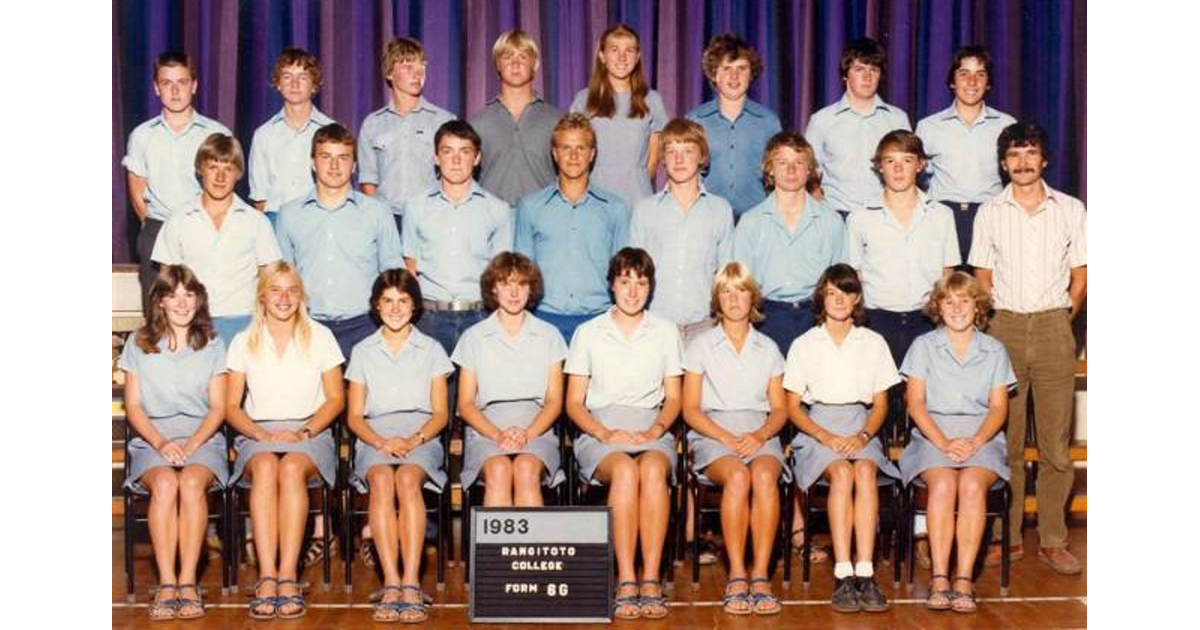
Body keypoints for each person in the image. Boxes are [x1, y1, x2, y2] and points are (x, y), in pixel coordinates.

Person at [970, 122, 1087, 575]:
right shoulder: (990, 212)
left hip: (1056, 327)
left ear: (1044, 160)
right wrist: (1002, 319)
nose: (1022, 163)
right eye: (1014, 155)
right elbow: (983, 277)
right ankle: (1008, 536)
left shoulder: (1071, 209)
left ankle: (1054, 538)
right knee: (1008, 442)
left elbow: (1080, 275)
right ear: (1003, 163)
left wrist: (1061, 317)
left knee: (1057, 445)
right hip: (1005, 330)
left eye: (1030, 154)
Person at [565, 248, 683, 620]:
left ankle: (651, 579)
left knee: (651, 471)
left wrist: (656, 429)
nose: (633, 291)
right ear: (612, 285)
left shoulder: (665, 331)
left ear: (650, 288)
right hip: (600, 430)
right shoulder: (588, 333)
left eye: (641, 283)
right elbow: (573, 404)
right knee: (626, 471)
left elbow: (675, 398)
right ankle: (626, 579)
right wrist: (604, 432)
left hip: (652, 427)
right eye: (625, 282)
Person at [225, 263, 345, 619]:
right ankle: (266, 576)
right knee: (264, 467)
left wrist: (304, 432)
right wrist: (260, 433)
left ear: (302, 296)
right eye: (275, 289)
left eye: (292, 289)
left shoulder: (321, 336)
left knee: (291, 467)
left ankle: (289, 576)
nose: (284, 298)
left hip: (310, 431)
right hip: (256, 431)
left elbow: (336, 399)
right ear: (262, 295)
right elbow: (231, 406)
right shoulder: (243, 340)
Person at [783, 263, 901, 613]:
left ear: (857, 298)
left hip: (860, 424)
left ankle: (865, 573)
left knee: (864, 471)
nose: (838, 300)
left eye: (846, 292)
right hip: (817, 426)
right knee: (843, 473)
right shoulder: (805, 343)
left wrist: (864, 433)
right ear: (822, 296)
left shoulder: (873, 342)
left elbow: (881, 403)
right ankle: (842, 573)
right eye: (832, 293)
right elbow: (792, 407)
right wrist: (826, 436)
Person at [898, 272, 1016, 613]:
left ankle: (963, 579)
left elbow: (998, 407)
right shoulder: (923, 346)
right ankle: (939, 578)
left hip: (983, 437)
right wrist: (945, 442)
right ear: (938, 307)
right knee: (945, 484)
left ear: (977, 306)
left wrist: (976, 441)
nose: (957, 307)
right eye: (949, 300)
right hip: (933, 435)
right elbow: (915, 404)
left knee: (971, 487)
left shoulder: (995, 350)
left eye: (965, 300)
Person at [120, 265, 229, 621]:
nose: (182, 303)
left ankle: (187, 584)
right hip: (154, 436)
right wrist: (162, 443)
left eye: (189, 294)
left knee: (193, 481)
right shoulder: (139, 344)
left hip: (203, 437)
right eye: (173, 295)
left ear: (198, 300)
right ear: (161, 302)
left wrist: (194, 443)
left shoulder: (213, 344)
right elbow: (133, 407)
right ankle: (166, 584)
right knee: (166, 483)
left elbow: (218, 407)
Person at [345, 269, 452, 623]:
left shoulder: (432, 349)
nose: (395, 308)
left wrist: (413, 440)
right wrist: (380, 442)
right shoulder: (362, 351)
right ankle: (390, 582)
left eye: (403, 301)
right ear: (377, 305)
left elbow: (440, 414)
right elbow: (355, 417)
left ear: (415, 305)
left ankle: (410, 583)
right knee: (380, 480)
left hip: (420, 434)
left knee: (407, 480)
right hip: (375, 435)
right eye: (388, 301)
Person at [681, 262, 786, 616]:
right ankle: (737, 574)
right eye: (725, 291)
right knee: (739, 477)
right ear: (716, 300)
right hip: (714, 432)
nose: (733, 298)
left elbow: (780, 410)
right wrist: (727, 437)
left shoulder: (769, 347)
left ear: (752, 297)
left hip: (759, 432)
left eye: (740, 290)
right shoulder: (699, 345)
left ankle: (760, 575)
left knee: (765, 476)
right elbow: (691, 409)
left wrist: (759, 436)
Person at [276, 122, 406, 360]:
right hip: (308, 327)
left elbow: (393, 275)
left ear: (354, 166)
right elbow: (283, 277)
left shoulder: (377, 212)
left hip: (365, 327)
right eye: (326, 157)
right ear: (312, 162)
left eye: (343, 158)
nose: (334, 166)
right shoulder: (289, 214)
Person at [453, 253, 567, 507]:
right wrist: (497, 434)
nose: (514, 292)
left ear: (531, 289)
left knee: (526, 468)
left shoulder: (550, 336)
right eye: (506, 284)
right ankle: (498, 548)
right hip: (486, 431)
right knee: (498, 470)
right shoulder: (473, 338)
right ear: (493, 289)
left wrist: (526, 434)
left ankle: (529, 548)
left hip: (537, 428)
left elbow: (554, 401)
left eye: (521, 284)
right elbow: (466, 404)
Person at [123, 51, 232, 315]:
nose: (174, 91)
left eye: (181, 82)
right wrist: (155, 228)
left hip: (202, 229)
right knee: (158, 313)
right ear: (156, 88)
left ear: (194, 86)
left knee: (204, 311)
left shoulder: (215, 133)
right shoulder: (142, 135)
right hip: (158, 228)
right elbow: (137, 191)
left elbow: (224, 187)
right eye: (166, 83)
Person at [152, 133, 282, 347]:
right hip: (193, 324)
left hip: (244, 326)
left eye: (228, 169)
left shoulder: (257, 222)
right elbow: (167, 284)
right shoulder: (177, 222)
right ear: (200, 170)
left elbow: (270, 281)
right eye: (213, 167)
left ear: (238, 173)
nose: (220, 177)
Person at [514, 113, 630, 342]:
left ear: (592, 154)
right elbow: (521, 274)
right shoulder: (530, 207)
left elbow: (623, 274)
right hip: (544, 320)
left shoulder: (615, 208)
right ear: (555, 154)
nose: (574, 156)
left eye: (581, 148)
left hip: (599, 320)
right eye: (566, 148)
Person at [402, 120, 513, 357]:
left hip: (480, 317)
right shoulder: (415, 207)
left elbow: (501, 275)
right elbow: (410, 269)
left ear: (477, 158)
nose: (455, 160)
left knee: (478, 394)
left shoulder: (498, 209)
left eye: (465, 152)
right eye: (447, 151)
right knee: (430, 394)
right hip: (429, 319)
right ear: (435, 157)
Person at [848, 130, 959, 365]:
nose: (898, 169)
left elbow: (947, 274)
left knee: (923, 397)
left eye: (907, 160)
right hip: (876, 321)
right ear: (879, 167)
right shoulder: (859, 218)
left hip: (927, 320)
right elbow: (855, 275)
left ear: (920, 165)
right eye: (890, 161)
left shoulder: (942, 215)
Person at [733, 131, 847, 356]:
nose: (791, 170)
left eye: (799, 162)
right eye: (782, 163)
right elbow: (740, 283)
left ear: (810, 169)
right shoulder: (751, 222)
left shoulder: (831, 220)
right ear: (770, 169)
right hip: (766, 318)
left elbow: (841, 280)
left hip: (816, 317)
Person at [630, 118, 734, 344]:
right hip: (656, 326)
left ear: (702, 156)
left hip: (705, 326)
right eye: (671, 151)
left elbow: (726, 274)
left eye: (688, 151)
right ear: (663, 159)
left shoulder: (720, 210)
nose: (679, 159)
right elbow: (634, 274)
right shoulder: (645, 210)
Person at [915, 45, 1016, 266]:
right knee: (945, 293)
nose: (972, 82)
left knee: (988, 293)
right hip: (943, 217)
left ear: (988, 83)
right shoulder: (928, 127)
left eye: (980, 75)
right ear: (952, 82)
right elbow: (918, 181)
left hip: (990, 216)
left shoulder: (1006, 125)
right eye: (964, 74)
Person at [804, 37, 911, 217]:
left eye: (874, 70)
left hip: (883, 216)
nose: (867, 77)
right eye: (859, 69)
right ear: (845, 75)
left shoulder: (897, 119)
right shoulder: (822, 120)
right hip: (836, 215)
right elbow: (808, 169)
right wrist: (819, 205)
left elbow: (908, 172)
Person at [358, 37, 456, 233]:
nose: (417, 74)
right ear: (389, 73)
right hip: (387, 221)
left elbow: (453, 174)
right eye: (408, 67)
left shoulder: (443, 121)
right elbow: (368, 179)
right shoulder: (373, 124)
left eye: (421, 68)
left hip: (430, 218)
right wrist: (378, 220)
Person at [570, 24, 669, 208]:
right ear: (602, 56)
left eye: (629, 50)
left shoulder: (652, 100)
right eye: (614, 50)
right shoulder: (584, 99)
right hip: (594, 200)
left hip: (638, 198)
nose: (622, 57)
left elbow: (654, 158)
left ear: (637, 57)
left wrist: (636, 184)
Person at [686, 33, 783, 219]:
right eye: (726, 68)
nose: (734, 76)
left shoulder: (768, 121)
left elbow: (778, 176)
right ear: (714, 74)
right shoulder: (696, 119)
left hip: (757, 219)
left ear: (751, 73)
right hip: (707, 218)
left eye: (742, 68)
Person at [468, 29, 561, 205]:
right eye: (508, 56)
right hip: (494, 222)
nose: (515, 64)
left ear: (535, 65)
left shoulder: (556, 121)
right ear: (497, 65)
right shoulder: (477, 123)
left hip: (542, 220)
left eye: (523, 57)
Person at [248, 48, 335, 225]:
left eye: (303, 77)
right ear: (278, 84)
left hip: (320, 220)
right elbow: (260, 196)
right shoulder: (264, 134)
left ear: (314, 85)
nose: (294, 84)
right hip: (276, 219)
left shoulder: (332, 131)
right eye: (287, 77)